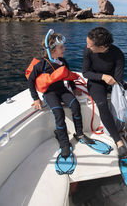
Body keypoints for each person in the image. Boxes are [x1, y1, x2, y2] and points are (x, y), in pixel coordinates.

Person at [82, 27, 127, 157]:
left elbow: (118, 78)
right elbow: (85, 73)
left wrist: (115, 86)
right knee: (102, 104)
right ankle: (118, 142)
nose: (87, 47)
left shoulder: (117, 54)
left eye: (90, 45)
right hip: (96, 81)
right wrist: (102, 77)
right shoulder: (88, 51)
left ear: (102, 46)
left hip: (114, 82)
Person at [28, 30, 87, 159]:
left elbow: (69, 76)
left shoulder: (63, 61)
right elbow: (31, 80)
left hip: (62, 90)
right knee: (59, 113)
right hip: (49, 93)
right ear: (52, 50)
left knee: (75, 105)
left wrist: (74, 88)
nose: (64, 49)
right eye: (61, 47)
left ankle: (80, 134)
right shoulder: (41, 65)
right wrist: (36, 99)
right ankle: (65, 143)